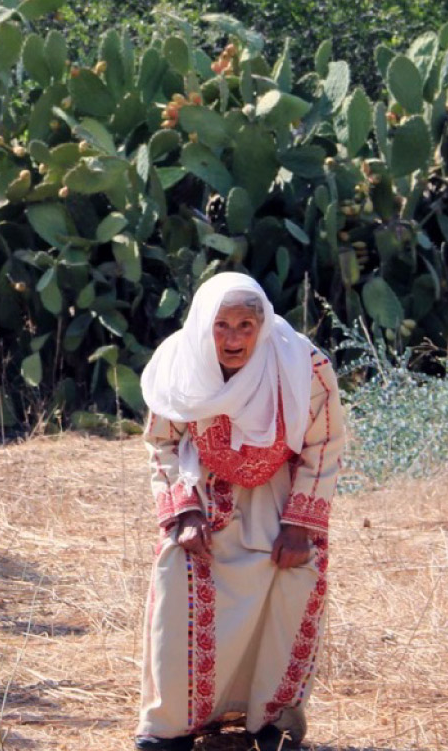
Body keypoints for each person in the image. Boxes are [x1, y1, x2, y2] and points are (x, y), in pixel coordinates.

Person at [134, 272, 347, 751]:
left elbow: (325, 442)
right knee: (178, 587)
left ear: (263, 325)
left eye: (245, 326)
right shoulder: (180, 360)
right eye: (221, 326)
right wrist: (183, 511)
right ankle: (169, 728)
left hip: (279, 499)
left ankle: (270, 724)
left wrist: (298, 525)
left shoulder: (304, 366)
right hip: (204, 497)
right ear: (204, 325)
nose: (233, 340)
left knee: (287, 594)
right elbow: (161, 441)